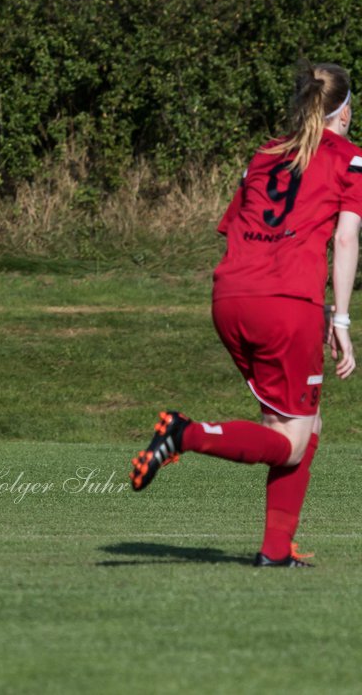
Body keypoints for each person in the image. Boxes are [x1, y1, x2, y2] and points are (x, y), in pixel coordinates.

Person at [130, 62, 361, 567]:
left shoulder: (264, 154)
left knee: (295, 422)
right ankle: (182, 434)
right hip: (283, 306)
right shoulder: (349, 156)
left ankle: (276, 551)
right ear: (343, 113)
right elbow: (345, 238)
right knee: (293, 443)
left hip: (231, 297)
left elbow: (249, 228)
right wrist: (340, 319)